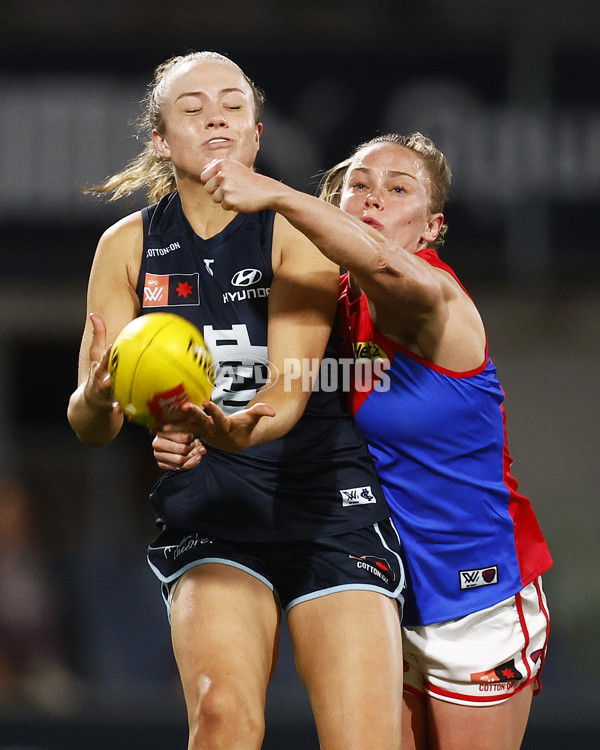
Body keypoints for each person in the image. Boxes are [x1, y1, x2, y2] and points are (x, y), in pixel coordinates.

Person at [67, 51, 406, 750]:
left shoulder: (296, 230)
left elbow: (283, 398)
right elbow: (89, 423)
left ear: (255, 134)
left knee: (364, 738)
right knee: (223, 719)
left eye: (232, 105)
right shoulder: (126, 246)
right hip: (215, 512)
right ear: (161, 139)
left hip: (327, 505)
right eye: (192, 109)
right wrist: (102, 397)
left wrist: (213, 428)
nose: (215, 115)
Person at [190, 132, 553, 750]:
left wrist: (273, 193)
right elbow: (269, 376)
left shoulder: (437, 300)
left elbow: (383, 265)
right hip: (380, 590)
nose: (373, 198)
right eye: (358, 185)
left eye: (398, 188)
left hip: (477, 593)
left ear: (431, 226)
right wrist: (189, 427)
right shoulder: (329, 302)